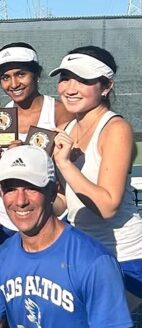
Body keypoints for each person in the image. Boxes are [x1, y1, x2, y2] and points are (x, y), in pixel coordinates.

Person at [0, 146, 132, 328]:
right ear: (0, 193)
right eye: (10, 189)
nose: (20, 201)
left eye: (31, 187)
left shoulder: (94, 263)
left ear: (53, 191)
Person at [50, 46, 142, 302]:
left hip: (124, 257)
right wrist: (33, 188)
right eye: (65, 78)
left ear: (106, 86)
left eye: (83, 80)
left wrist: (65, 164)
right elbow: (64, 203)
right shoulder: (63, 128)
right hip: (83, 252)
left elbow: (108, 206)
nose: (70, 88)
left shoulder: (116, 128)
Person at [0, 42, 73, 249]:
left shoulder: (60, 112)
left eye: (21, 74)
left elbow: (70, 169)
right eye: (5, 77)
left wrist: (28, 157)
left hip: (49, 218)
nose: (13, 83)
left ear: (36, 74)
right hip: (6, 221)